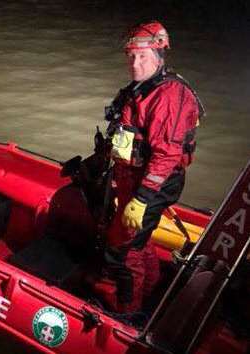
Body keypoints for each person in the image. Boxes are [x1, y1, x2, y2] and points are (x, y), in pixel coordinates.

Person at [102, 21, 205, 314]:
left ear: (159, 57)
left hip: (153, 182)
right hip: (133, 177)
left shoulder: (168, 96)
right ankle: (150, 289)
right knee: (140, 241)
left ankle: (128, 314)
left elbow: (167, 154)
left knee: (121, 253)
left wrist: (142, 198)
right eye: (131, 56)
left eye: (142, 57)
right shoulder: (140, 89)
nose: (135, 63)